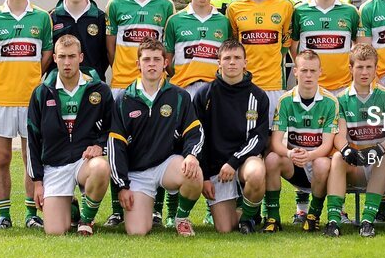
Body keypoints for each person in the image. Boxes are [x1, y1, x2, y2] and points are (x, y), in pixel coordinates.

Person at [104, 0, 175, 225]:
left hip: (155, 89)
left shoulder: (166, 6)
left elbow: (165, 49)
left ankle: (156, 208)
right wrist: (124, 72)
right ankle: (116, 209)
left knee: (157, 145)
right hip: (123, 86)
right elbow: (111, 47)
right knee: (117, 147)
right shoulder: (116, 4)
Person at [0, 0, 53, 230]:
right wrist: (2, 80)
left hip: (31, 100)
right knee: (1, 158)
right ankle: (3, 215)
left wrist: (31, 77)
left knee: (30, 158)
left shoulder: (42, 18)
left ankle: (30, 213)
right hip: (1, 99)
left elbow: (46, 56)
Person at [108, 39, 204, 236]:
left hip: (166, 166)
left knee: (194, 174)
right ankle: (145, 210)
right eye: (146, 59)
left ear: (165, 63)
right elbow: (115, 146)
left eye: (156, 59)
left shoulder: (179, 96)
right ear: (138, 64)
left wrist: (192, 155)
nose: (151, 64)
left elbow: (195, 132)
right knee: (137, 232)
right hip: (137, 174)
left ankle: (181, 218)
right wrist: (122, 186)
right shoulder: (123, 99)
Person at [26, 35, 113, 236]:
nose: (67, 62)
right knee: (55, 231)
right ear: (54, 58)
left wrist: (100, 145)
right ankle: (73, 209)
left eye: (72, 56)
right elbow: (33, 139)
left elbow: (113, 128)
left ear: (81, 57)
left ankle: (86, 220)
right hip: (54, 165)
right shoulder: (41, 93)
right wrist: (37, 182)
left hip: (84, 161)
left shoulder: (99, 90)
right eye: (62, 57)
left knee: (101, 167)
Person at [327, 44, 385, 237]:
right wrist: (346, 150)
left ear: (376, 68)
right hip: (356, 163)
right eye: (359, 67)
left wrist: (379, 149)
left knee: (384, 157)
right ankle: (333, 221)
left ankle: (367, 221)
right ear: (350, 68)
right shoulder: (341, 99)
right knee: (338, 158)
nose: (364, 72)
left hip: (381, 167)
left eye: (369, 67)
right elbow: (340, 134)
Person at [192, 39, 269, 234]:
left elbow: (259, 138)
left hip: (242, 163)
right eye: (227, 58)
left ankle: (249, 217)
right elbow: (197, 138)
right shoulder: (204, 95)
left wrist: (234, 161)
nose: (232, 62)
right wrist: (205, 176)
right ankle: (244, 208)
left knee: (257, 172)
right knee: (225, 229)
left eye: (237, 58)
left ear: (245, 62)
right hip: (217, 168)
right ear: (219, 62)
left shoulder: (258, 96)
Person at [262, 51, 338, 232]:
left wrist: (309, 155)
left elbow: (327, 145)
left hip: (317, 163)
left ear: (320, 71)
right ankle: (273, 216)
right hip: (295, 163)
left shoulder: (330, 101)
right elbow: (275, 141)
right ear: (295, 71)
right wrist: (289, 153)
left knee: (321, 163)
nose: (308, 75)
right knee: (272, 158)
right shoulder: (285, 100)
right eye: (304, 70)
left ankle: (313, 215)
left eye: (313, 71)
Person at [225, 0, 293, 126]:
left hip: (274, 86)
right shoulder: (234, 8)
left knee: (271, 141)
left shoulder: (285, 7)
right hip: (243, 85)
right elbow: (233, 45)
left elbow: (285, 45)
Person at [291, 0, 361, 94]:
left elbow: (359, 47)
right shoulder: (299, 11)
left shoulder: (351, 12)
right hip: (310, 88)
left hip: (343, 88)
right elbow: (293, 47)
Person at [163, 0, 232, 100]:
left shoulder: (224, 22)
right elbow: (168, 61)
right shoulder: (175, 21)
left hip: (215, 89)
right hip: (183, 88)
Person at [51, 0, 109, 81]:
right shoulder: (51, 18)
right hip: (59, 85)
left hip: (92, 85)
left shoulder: (101, 18)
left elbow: (106, 55)